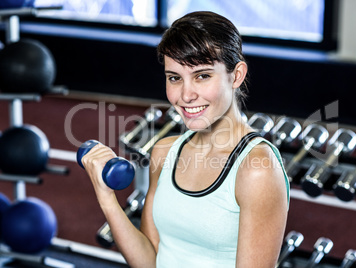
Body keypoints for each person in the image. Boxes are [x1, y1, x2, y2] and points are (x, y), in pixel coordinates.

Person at [81, 11, 289, 268]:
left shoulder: (256, 168)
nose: (186, 95)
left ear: (236, 75)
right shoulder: (164, 152)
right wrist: (106, 197)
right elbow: (149, 260)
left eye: (202, 76)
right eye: (174, 78)